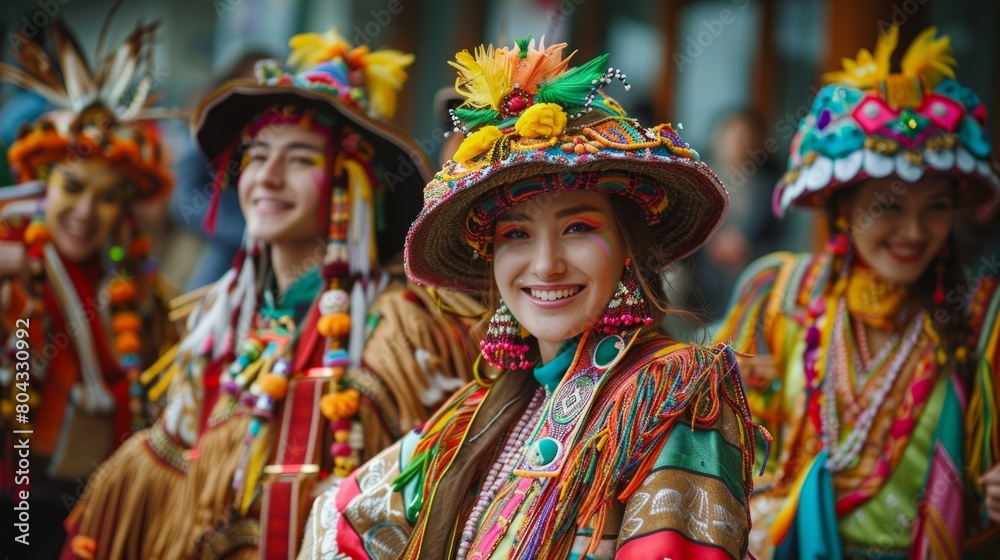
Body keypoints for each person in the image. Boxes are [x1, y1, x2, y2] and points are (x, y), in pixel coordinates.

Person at [299, 37, 762, 560]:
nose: (545, 265)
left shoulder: (676, 397)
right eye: (515, 235)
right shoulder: (479, 414)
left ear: (629, 246)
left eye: (578, 227)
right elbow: (339, 519)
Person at [63, 29, 481, 559]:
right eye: (257, 156)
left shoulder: (400, 327)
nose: (269, 177)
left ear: (347, 184)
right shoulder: (215, 319)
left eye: (301, 159)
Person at [714, 26, 1000, 558]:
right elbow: (711, 433)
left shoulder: (985, 322)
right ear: (841, 208)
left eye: (936, 207)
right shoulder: (779, 294)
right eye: (889, 206)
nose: (914, 232)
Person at [0, 19, 179, 559]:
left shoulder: (140, 282)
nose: (84, 213)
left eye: (105, 198)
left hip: (98, 505)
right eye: (72, 188)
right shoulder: (10, 262)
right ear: (41, 184)